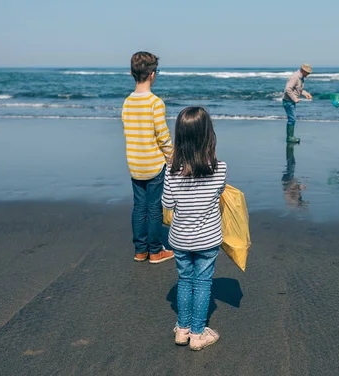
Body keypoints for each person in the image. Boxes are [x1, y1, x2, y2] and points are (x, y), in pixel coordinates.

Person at [162, 107, 227, 351]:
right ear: (209, 135)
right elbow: (218, 195)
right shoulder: (219, 168)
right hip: (208, 238)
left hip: (179, 238)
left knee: (184, 279)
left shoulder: (171, 170)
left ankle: (182, 329)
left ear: (179, 136)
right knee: (202, 283)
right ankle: (198, 334)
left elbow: (167, 204)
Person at [122, 51, 175, 264]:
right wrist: (171, 156)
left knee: (139, 207)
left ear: (131, 73)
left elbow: (129, 132)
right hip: (153, 164)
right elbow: (162, 135)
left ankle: (140, 250)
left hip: (135, 164)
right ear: (153, 74)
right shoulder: (155, 103)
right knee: (154, 208)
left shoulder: (127, 102)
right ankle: (155, 250)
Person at [282, 64, 313, 143]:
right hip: (288, 101)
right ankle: (290, 137)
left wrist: (306, 94)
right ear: (303, 71)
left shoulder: (300, 77)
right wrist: (295, 98)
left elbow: (298, 89)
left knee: (292, 118)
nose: (308, 75)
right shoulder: (295, 77)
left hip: (290, 101)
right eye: (307, 73)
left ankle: (290, 137)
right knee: (292, 119)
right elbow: (288, 89)